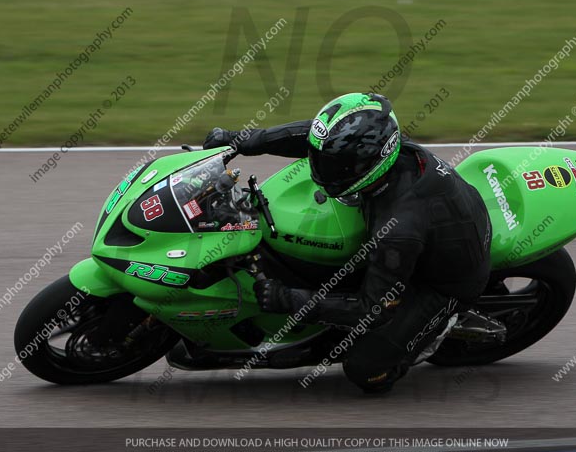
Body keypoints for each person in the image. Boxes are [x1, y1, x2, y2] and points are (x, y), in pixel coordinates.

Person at [203, 92, 491, 393]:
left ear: (369, 165)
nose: (321, 169)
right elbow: (312, 137)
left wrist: (287, 299)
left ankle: (442, 327)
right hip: (436, 228)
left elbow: (372, 308)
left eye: (334, 166)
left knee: (365, 371)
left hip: (444, 283)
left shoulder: (397, 229)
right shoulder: (378, 153)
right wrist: (239, 140)